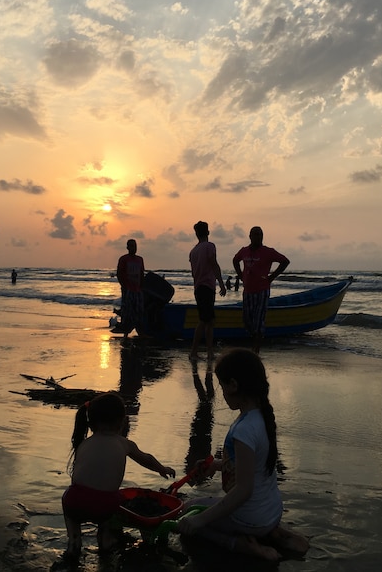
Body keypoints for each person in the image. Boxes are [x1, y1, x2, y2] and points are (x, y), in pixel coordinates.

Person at [177, 348, 309, 562]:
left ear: (234, 385)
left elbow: (244, 491)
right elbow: (253, 467)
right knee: (203, 511)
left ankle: (243, 545)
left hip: (250, 516)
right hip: (272, 512)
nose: (221, 393)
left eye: (222, 386)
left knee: (186, 515)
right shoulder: (263, 418)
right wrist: (217, 465)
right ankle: (273, 533)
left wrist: (200, 520)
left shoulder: (244, 429)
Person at [62, 391, 175, 559]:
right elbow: (147, 459)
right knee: (115, 498)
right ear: (122, 422)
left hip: (75, 501)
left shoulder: (83, 444)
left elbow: (78, 479)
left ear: (90, 423)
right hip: (105, 505)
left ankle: (74, 541)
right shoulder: (124, 443)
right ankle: (105, 540)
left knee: (69, 498)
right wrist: (162, 468)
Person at [233, 227, 289, 352]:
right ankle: (255, 340)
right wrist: (241, 275)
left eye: (260, 235)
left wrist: (272, 277)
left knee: (258, 321)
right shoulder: (244, 251)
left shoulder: (268, 252)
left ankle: (256, 350)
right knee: (247, 320)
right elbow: (235, 260)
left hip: (262, 291)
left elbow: (285, 261)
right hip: (247, 291)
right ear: (250, 236)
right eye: (256, 234)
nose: (258, 237)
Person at [189, 221, 226, 363]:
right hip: (206, 287)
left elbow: (193, 273)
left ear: (196, 234)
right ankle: (196, 351)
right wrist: (221, 283)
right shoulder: (209, 247)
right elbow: (214, 264)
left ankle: (208, 352)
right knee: (206, 320)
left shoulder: (193, 251)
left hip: (199, 287)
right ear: (208, 232)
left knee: (208, 320)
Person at [116, 239, 146, 338]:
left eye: (135, 246)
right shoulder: (123, 259)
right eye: (132, 246)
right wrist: (124, 287)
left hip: (138, 290)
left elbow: (141, 274)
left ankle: (140, 332)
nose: (134, 248)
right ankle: (125, 333)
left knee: (139, 312)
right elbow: (119, 274)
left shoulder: (140, 259)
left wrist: (142, 287)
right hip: (128, 289)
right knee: (127, 312)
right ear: (128, 247)